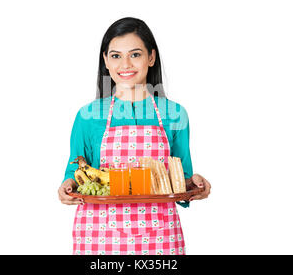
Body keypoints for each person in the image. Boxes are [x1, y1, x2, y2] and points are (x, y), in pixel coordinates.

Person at [58, 17, 211, 255]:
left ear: (151, 57)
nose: (125, 64)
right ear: (106, 61)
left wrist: (196, 185)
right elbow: (74, 173)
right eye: (116, 55)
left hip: (160, 236)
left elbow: (182, 178)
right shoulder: (88, 116)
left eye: (135, 54)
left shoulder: (175, 114)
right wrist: (66, 186)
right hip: (100, 238)